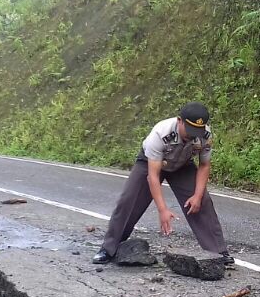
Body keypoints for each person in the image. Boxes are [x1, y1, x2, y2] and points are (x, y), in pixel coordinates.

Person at [93, 102, 232, 265]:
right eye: (189, 130)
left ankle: (218, 253)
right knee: (128, 201)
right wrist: (163, 210)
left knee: (202, 202)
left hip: (182, 165)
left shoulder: (205, 135)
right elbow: (153, 177)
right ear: (180, 121)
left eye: (197, 132)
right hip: (150, 163)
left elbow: (204, 165)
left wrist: (197, 195)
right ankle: (109, 248)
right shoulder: (161, 133)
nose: (192, 135)